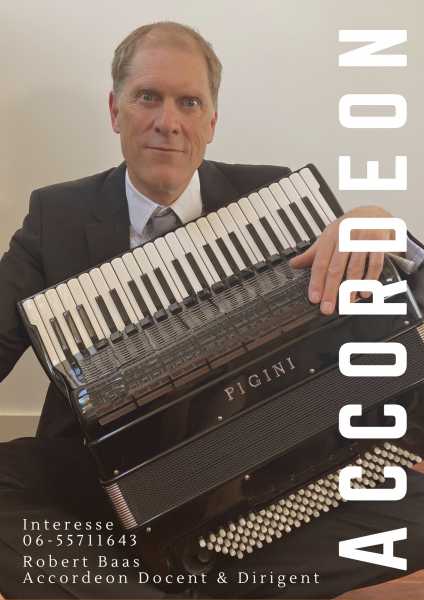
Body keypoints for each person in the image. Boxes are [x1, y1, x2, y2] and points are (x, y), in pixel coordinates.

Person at [0, 21, 423, 599]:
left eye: (189, 102)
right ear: (115, 110)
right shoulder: (58, 217)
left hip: (263, 471)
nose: (167, 122)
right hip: (104, 487)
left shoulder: (276, 201)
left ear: (212, 121)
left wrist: (385, 232)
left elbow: (389, 307)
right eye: (147, 96)